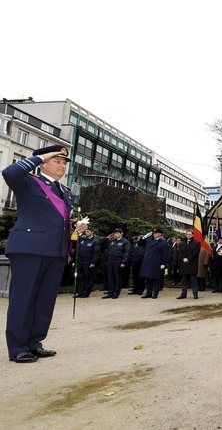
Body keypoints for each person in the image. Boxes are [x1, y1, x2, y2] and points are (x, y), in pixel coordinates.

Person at [2, 145, 87, 363]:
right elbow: (9, 172)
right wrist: (40, 157)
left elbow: (59, 222)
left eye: (64, 162)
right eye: (57, 160)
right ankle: (18, 347)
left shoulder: (64, 191)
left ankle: (34, 342)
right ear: (44, 162)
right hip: (30, 248)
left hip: (56, 250)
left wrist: (75, 229)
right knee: (24, 297)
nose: (62, 165)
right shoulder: (29, 182)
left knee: (44, 299)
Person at [140, 229, 171, 299]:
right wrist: (144, 237)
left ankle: (155, 293)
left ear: (160, 234)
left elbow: (165, 254)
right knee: (148, 279)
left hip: (156, 263)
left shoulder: (163, 243)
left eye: (157, 233)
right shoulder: (150, 241)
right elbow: (141, 244)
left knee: (156, 279)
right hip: (148, 263)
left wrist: (163, 263)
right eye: (154, 233)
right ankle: (148, 293)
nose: (155, 234)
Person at [104, 227, 130, 299]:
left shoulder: (125, 241)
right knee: (110, 277)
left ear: (121, 233)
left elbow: (127, 252)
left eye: (117, 233)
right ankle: (110, 292)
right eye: (115, 233)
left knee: (117, 277)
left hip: (118, 261)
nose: (115, 234)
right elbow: (107, 249)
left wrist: (124, 262)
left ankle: (116, 293)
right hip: (110, 261)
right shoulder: (113, 241)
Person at [76, 227, 100, 298]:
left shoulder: (95, 241)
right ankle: (80, 292)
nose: (86, 232)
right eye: (85, 231)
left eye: (88, 231)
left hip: (88, 262)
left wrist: (93, 262)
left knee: (88, 278)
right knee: (81, 277)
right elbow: (78, 249)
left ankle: (86, 293)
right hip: (81, 261)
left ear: (92, 232)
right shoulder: (83, 240)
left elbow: (97, 253)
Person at [177, 230, 201, 298]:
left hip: (192, 264)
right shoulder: (182, 243)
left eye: (190, 234)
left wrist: (188, 259)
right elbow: (180, 252)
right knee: (184, 281)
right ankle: (183, 294)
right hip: (184, 264)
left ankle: (195, 294)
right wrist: (183, 259)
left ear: (193, 235)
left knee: (193, 280)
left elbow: (196, 253)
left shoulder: (197, 243)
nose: (188, 235)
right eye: (187, 234)